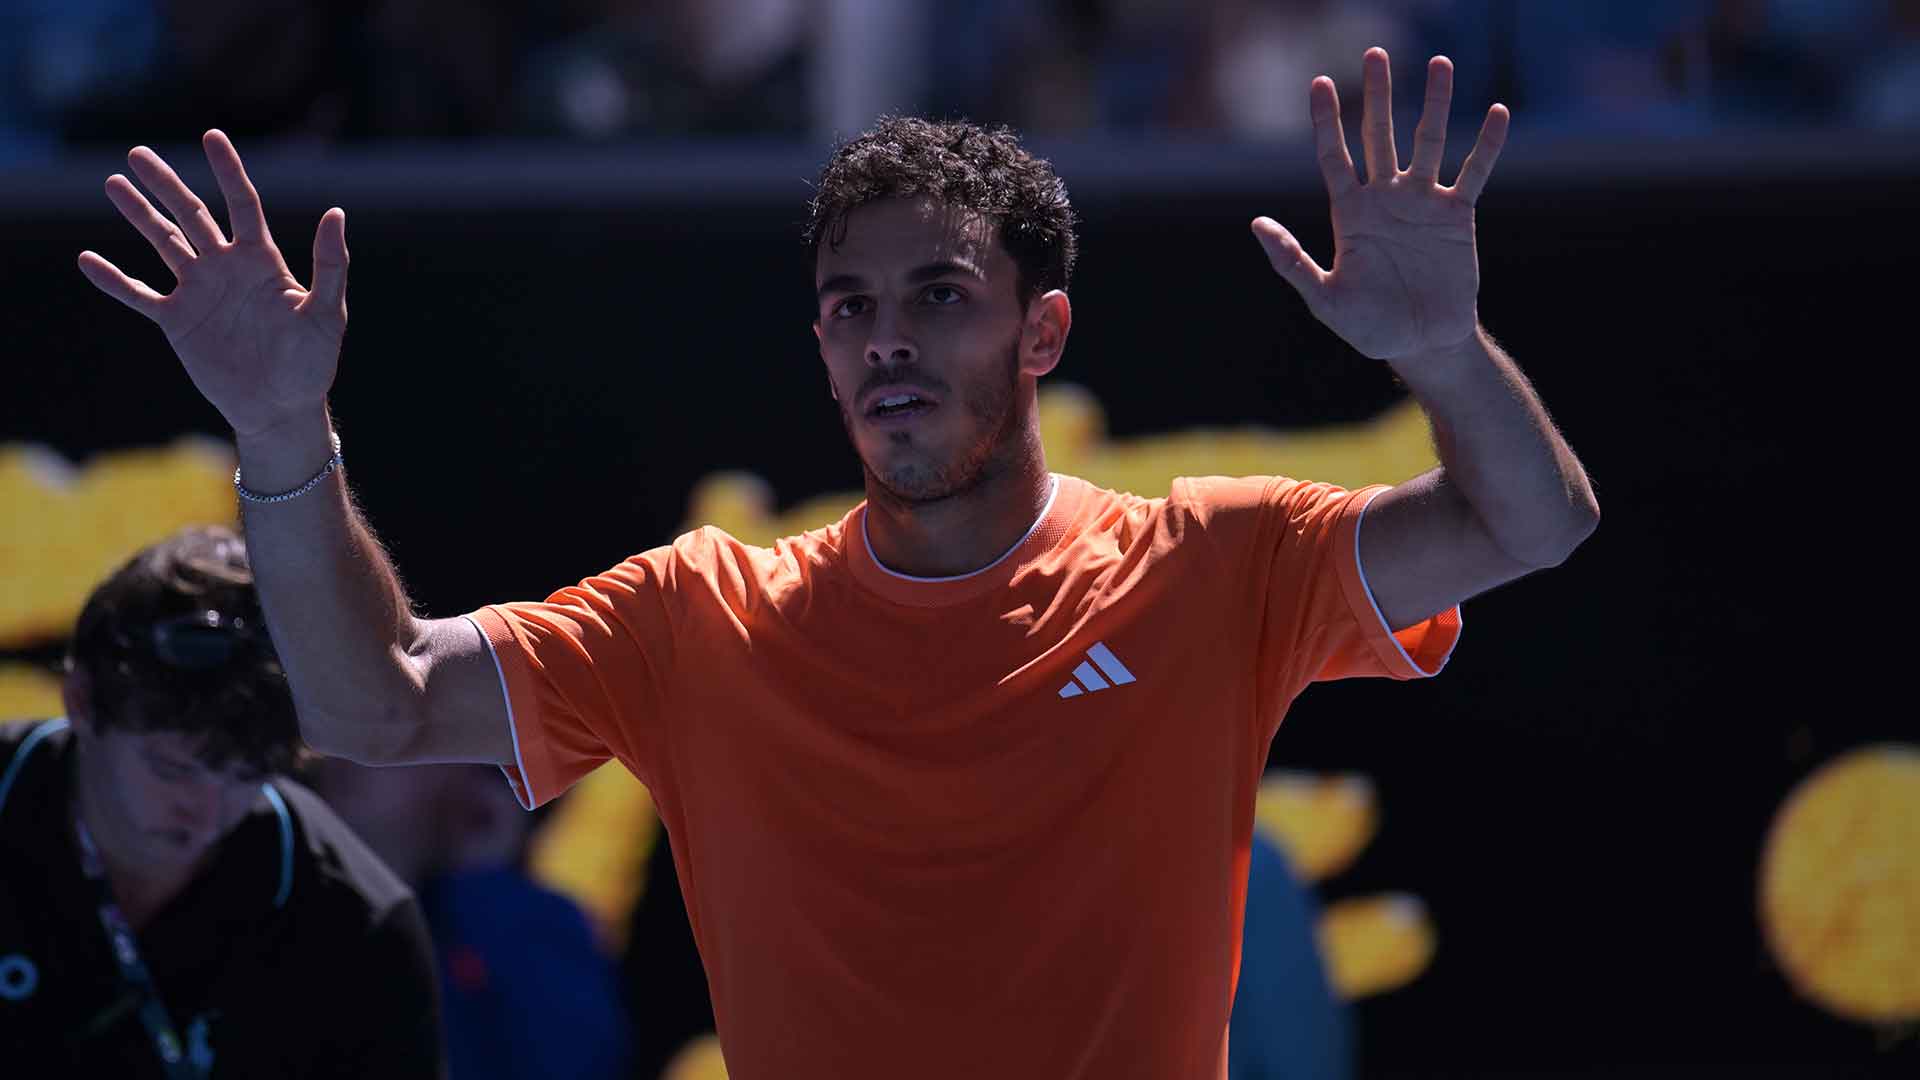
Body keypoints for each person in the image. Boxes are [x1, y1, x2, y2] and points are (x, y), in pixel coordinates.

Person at [75, 47, 1597, 1079]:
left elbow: (1533, 522)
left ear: (1043, 332)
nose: (888, 342)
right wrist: (284, 435)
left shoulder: (1212, 561)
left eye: (940, 295)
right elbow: (374, 707)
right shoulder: (696, 614)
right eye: (852, 307)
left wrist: (1446, 353)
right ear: (819, 344)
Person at [0, 525, 444, 1076]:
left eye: (248, 775)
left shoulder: (358, 929)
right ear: (82, 702)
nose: (208, 814)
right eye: (174, 768)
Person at [307, 757, 631, 1080]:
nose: (346, 751)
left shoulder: (530, 930)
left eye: (388, 724)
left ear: (468, 783)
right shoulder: (278, 888)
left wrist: (485, 885)